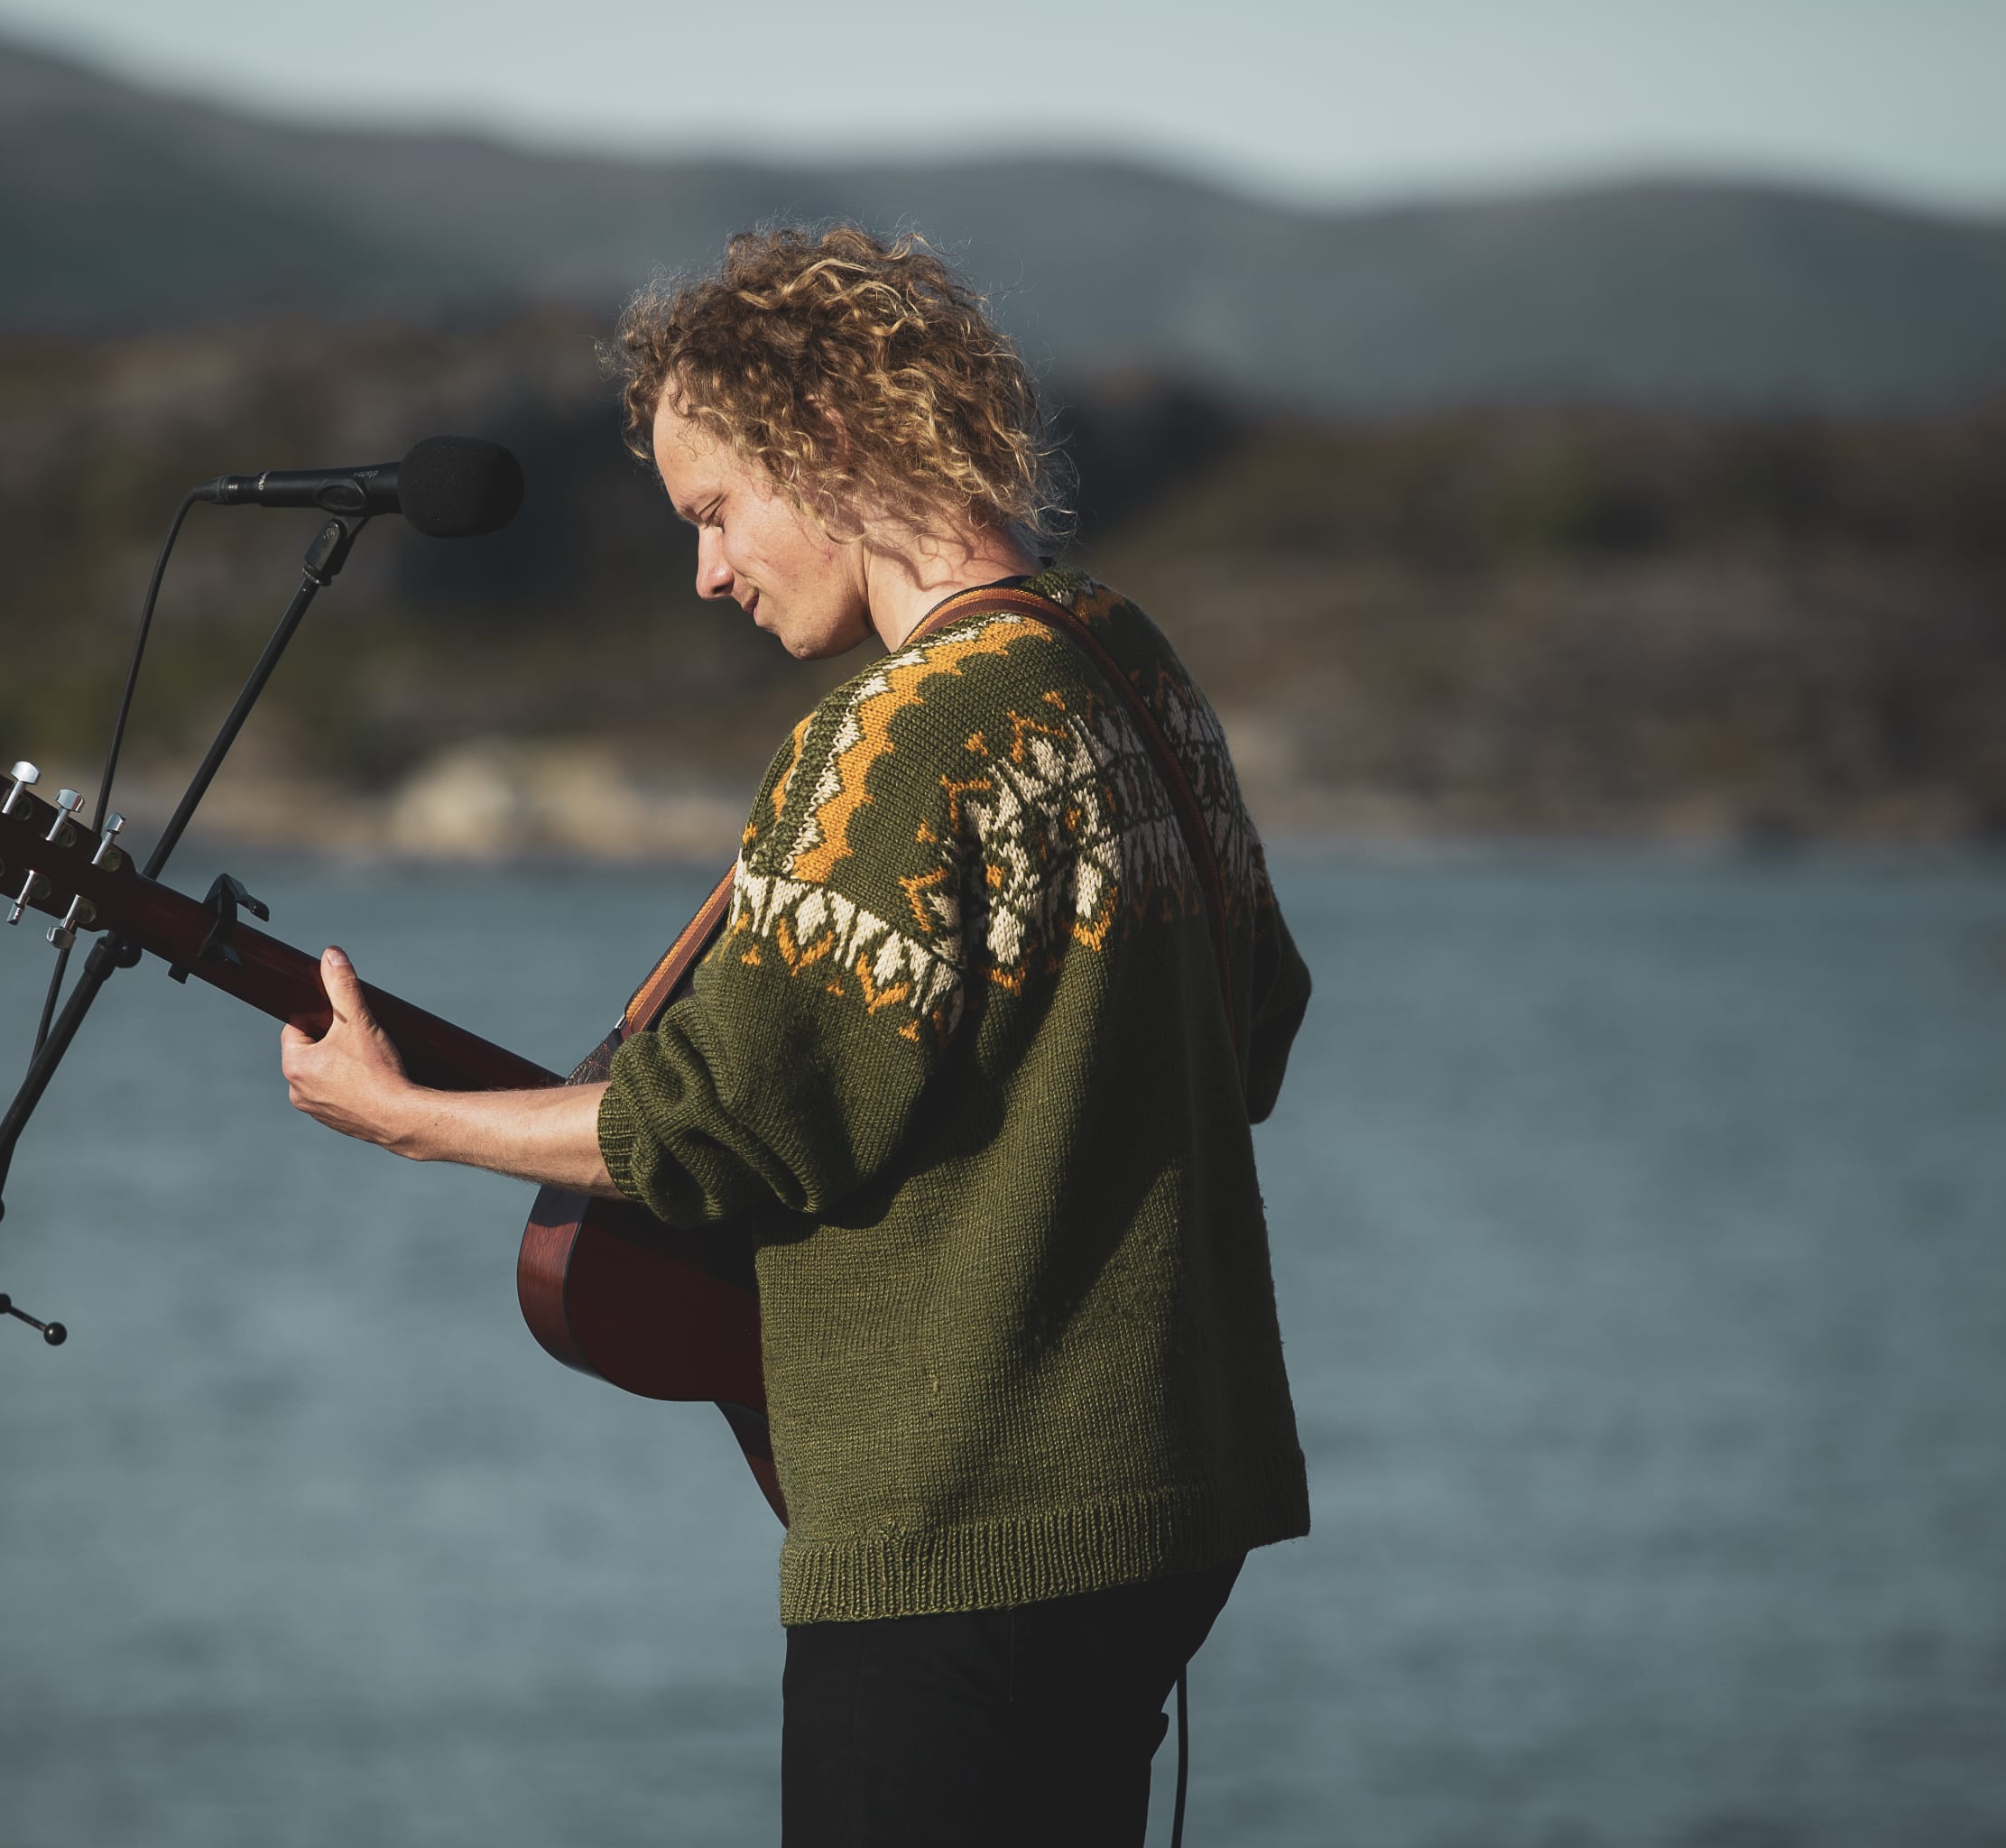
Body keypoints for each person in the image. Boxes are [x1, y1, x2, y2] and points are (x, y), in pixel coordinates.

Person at [279, 224, 1314, 1846]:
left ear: (830, 445)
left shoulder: (896, 740)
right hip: (1170, 1511)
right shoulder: (1129, 665)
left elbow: (712, 1124)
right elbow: (1259, 1026)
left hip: (967, 1537)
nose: (705, 571)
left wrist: (415, 1118)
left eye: (713, 511)